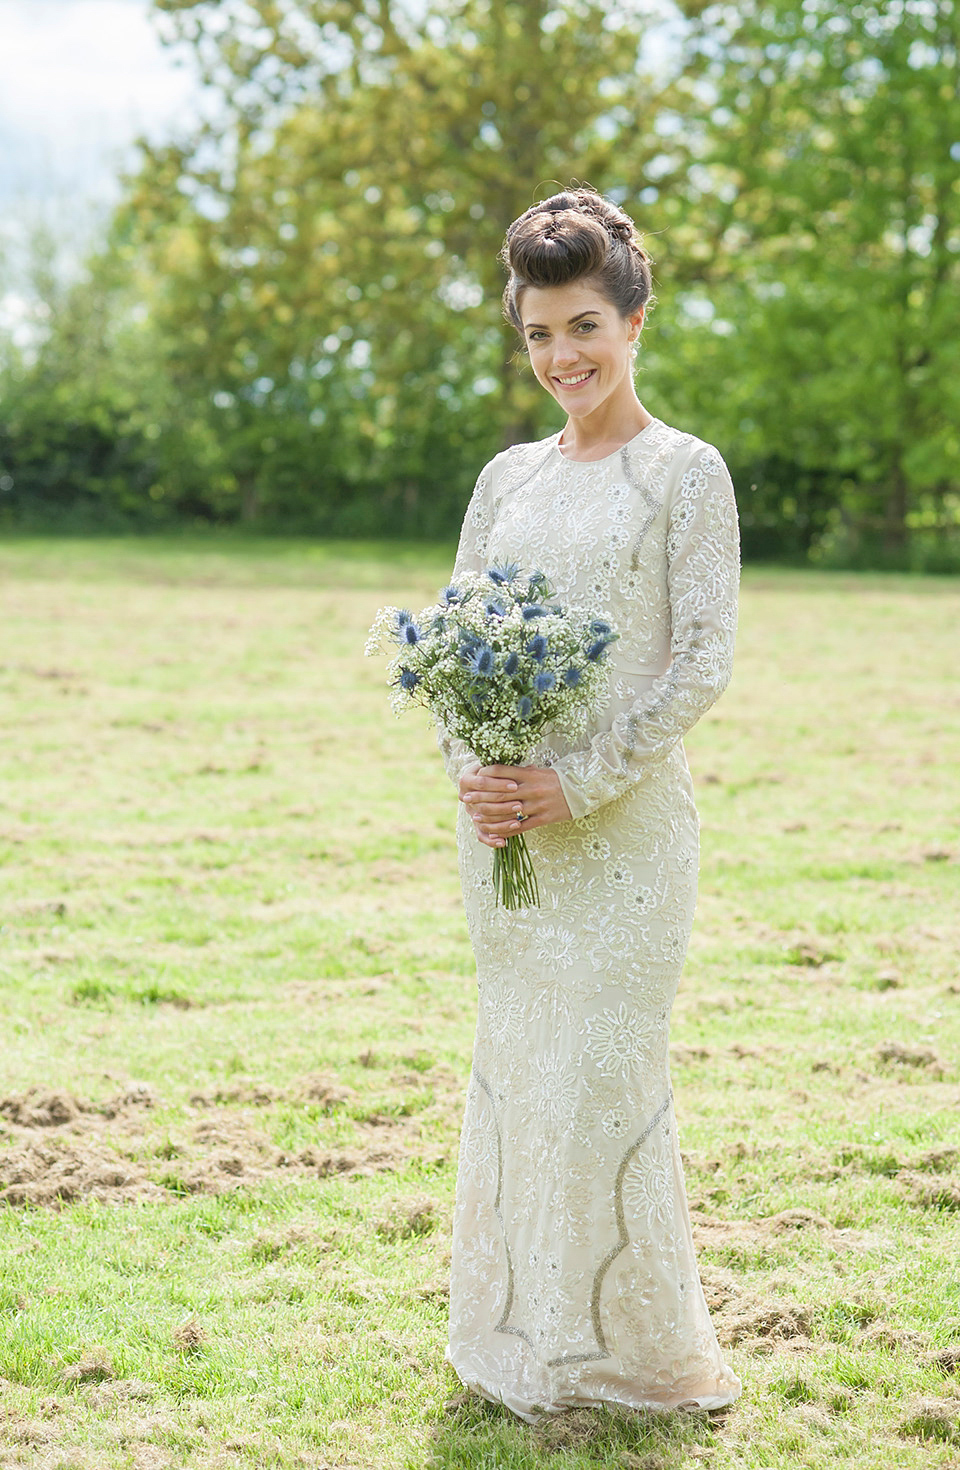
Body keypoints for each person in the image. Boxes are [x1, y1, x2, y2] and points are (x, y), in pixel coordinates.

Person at [437, 186, 742, 1421]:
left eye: (582, 328)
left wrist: (580, 779)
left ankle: (628, 1359)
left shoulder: (686, 473)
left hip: (625, 844)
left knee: (602, 1079)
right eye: (537, 334)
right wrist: (481, 776)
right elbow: (455, 632)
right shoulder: (506, 478)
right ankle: (522, 1342)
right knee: (521, 1075)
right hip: (506, 835)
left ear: (634, 320)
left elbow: (702, 661)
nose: (561, 357)